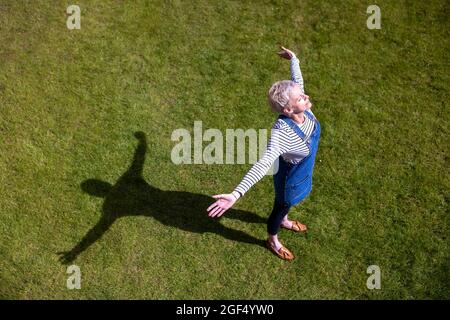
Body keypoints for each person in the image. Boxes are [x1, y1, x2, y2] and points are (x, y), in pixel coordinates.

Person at [206, 46, 321, 261]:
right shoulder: (282, 133)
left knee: (287, 207)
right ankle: (273, 239)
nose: (306, 97)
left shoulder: (305, 110)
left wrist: (294, 59)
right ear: (287, 110)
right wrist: (235, 194)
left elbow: (298, 82)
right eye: (300, 98)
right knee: (281, 206)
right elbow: (263, 163)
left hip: (304, 173)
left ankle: (285, 220)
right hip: (291, 181)